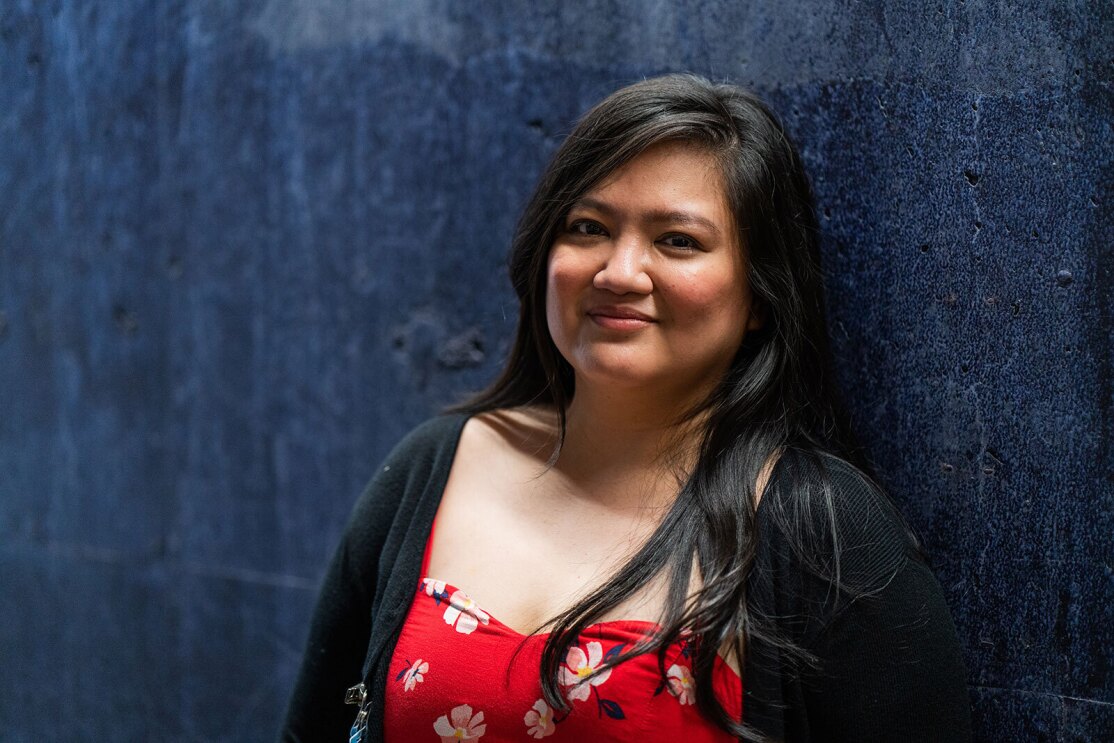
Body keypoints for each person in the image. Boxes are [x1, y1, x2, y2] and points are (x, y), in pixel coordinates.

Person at [280, 74, 972, 742]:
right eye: (588, 228)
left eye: (678, 241)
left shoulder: (822, 531)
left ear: (760, 295)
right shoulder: (435, 466)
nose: (618, 272)